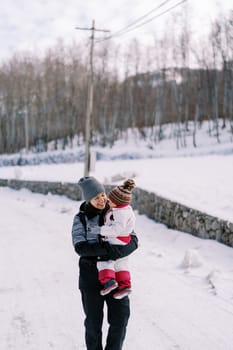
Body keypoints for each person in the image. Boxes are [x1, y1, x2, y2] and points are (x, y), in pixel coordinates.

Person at [71, 176, 138, 350]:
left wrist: (118, 252)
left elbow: (133, 239)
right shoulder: (81, 219)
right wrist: (106, 251)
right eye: (96, 197)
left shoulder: (118, 212)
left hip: (115, 274)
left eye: (102, 195)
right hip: (91, 276)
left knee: (121, 318)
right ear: (88, 200)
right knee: (93, 324)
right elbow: (80, 247)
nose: (102, 200)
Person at [97, 179, 136, 300]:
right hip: (125, 240)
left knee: (105, 260)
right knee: (121, 263)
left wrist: (101, 230)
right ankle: (125, 286)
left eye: (111, 200)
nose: (108, 201)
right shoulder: (126, 210)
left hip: (117, 239)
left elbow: (115, 230)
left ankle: (109, 282)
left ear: (118, 202)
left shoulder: (120, 213)